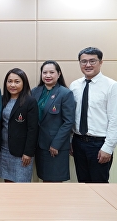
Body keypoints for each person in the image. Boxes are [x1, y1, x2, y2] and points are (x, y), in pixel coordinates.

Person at [70, 47, 117, 183]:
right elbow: (72, 116)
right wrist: (71, 140)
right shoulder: (74, 85)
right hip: (78, 142)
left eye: (92, 61)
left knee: (99, 186)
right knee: (83, 184)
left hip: (99, 144)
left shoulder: (111, 86)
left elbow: (115, 119)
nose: (88, 65)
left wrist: (108, 147)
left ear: (100, 62)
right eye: (83, 61)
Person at [32, 60, 75, 182]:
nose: (48, 75)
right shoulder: (35, 92)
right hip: (39, 145)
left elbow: (68, 122)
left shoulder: (65, 93)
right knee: (44, 179)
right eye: (44, 72)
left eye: (52, 72)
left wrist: (56, 144)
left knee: (54, 182)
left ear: (59, 74)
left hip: (56, 146)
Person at [0, 68, 38, 182]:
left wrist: (28, 153)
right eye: (9, 81)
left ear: (24, 83)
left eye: (17, 81)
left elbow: (33, 129)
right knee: (8, 182)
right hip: (4, 150)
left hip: (22, 152)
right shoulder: (2, 99)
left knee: (21, 186)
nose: (12, 85)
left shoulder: (30, 101)